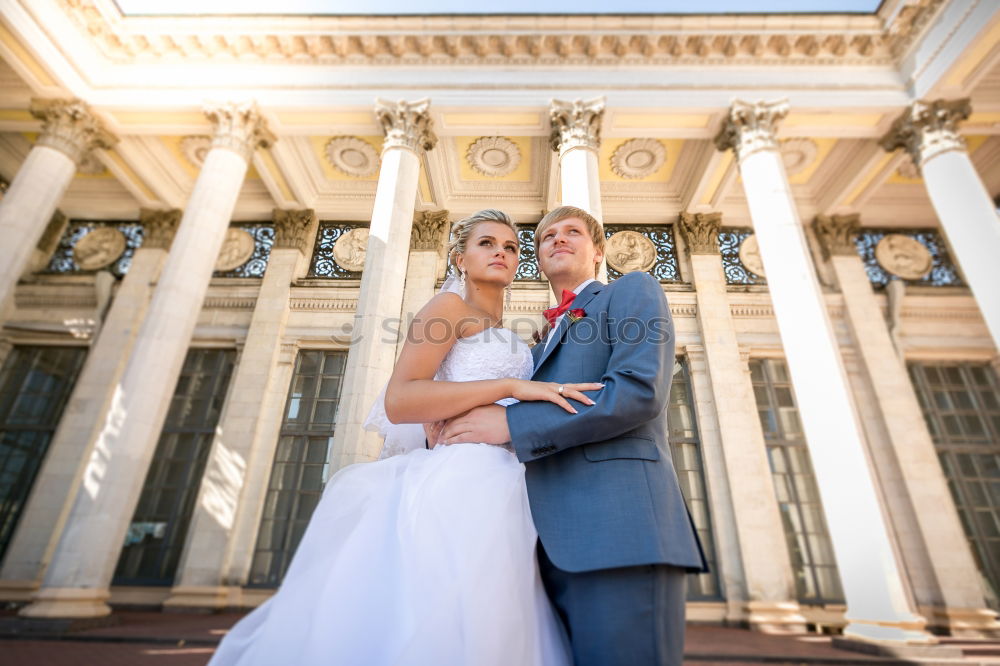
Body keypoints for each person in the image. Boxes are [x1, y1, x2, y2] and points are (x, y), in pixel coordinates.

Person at [208, 210, 597, 666]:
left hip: (508, 479)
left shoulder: (513, 330)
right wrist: (509, 387)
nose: (501, 253)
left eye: (511, 247)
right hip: (462, 479)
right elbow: (401, 399)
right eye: (487, 244)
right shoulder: (447, 309)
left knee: (498, 616)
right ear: (459, 258)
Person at [435, 205, 708, 666]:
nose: (559, 239)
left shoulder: (632, 290)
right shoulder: (537, 345)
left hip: (619, 536)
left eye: (573, 232)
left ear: (598, 253)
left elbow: (638, 392)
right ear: (538, 260)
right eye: (547, 237)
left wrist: (510, 425)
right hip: (542, 549)